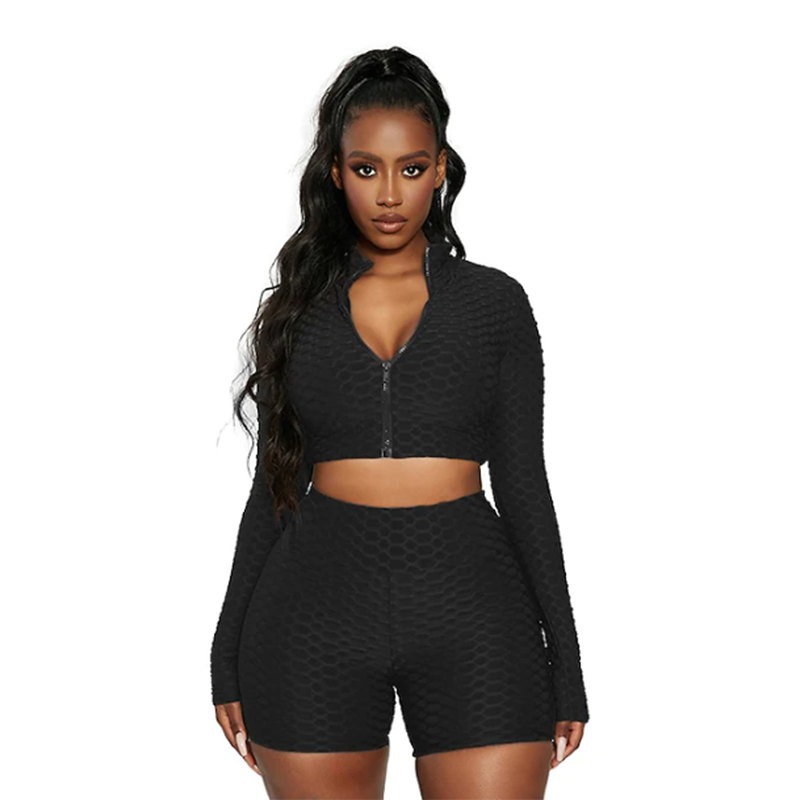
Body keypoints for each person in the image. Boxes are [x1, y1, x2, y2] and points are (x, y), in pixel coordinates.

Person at [210, 45, 589, 800]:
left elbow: (524, 485)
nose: (389, 194)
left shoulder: (494, 304)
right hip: (313, 610)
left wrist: (568, 664)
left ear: (440, 169)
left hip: (474, 605)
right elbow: (273, 491)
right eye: (366, 169)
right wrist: (225, 654)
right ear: (335, 172)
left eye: (411, 169)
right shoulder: (298, 310)